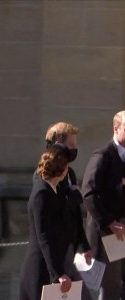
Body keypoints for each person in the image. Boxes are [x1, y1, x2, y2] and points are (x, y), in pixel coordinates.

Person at [20, 145, 92, 300]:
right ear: (61, 170)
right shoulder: (41, 194)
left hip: (55, 262)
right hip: (41, 267)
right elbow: (44, 238)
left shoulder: (55, 190)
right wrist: (58, 273)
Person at [82, 111, 125, 300]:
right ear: (116, 128)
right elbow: (88, 193)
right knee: (111, 284)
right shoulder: (103, 155)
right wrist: (109, 221)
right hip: (111, 233)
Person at [44, 122, 92, 258]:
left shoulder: (70, 173)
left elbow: (75, 214)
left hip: (70, 246)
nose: (74, 149)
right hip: (56, 247)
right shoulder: (46, 175)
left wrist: (83, 246)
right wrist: (73, 196)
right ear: (59, 144)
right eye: (71, 145)